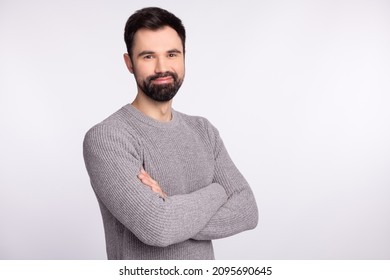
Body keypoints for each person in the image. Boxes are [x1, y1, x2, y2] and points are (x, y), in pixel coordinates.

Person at [83, 7, 258, 260]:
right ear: (129, 62)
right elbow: (158, 227)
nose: (162, 67)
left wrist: (170, 206)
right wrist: (218, 191)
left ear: (184, 57)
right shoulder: (108, 138)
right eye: (148, 56)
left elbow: (247, 211)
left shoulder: (203, 131)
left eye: (172, 54)